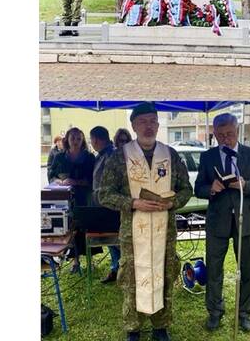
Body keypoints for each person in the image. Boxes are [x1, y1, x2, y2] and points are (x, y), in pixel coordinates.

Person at [98, 103, 192, 341]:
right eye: (143, 122)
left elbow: (186, 189)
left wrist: (173, 203)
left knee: (164, 275)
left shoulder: (170, 155)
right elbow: (103, 193)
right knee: (132, 278)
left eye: (153, 121)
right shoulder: (120, 156)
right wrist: (132, 203)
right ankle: (134, 328)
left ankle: (161, 326)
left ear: (158, 125)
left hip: (164, 232)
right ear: (134, 125)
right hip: (133, 233)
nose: (148, 126)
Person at [193, 114, 250, 332]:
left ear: (238, 131)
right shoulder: (207, 157)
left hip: (245, 222)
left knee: (247, 270)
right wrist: (210, 189)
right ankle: (215, 312)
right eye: (220, 135)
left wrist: (245, 184)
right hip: (217, 222)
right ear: (214, 133)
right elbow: (198, 187)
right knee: (214, 270)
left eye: (229, 134)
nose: (225, 139)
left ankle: (244, 313)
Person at [51, 126, 96, 274]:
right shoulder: (59, 157)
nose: (75, 141)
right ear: (67, 140)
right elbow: (51, 175)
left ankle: (91, 260)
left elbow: (93, 180)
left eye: (78, 138)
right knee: (70, 228)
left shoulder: (89, 158)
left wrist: (76, 182)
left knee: (86, 227)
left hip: (85, 198)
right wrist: (59, 181)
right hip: (64, 199)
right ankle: (75, 261)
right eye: (73, 138)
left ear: (82, 140)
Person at [89, 126, 121, 284]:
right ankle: (116, 269)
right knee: (111, 242)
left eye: (91, 140)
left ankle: (124, 270)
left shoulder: (111, 154)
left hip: (111, 205)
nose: (92, 143)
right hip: (101, 203)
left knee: (117, 240)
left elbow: (113, 181)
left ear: (95, 139)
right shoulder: (101, 155)